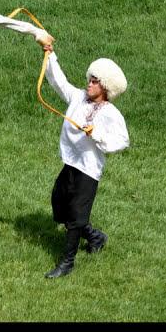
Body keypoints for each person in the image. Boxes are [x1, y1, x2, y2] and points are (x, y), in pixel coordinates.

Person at [40, 44, 129, 278]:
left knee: (75, 218)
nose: (89, 83)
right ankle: (95, 236)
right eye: (90, 79)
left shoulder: (110, 112)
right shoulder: (77, 98)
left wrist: (96, 134)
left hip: (88, 170)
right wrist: (50, 54)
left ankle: (67, 263)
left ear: (105, 87)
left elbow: (122, 140)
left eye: (95, 81)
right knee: (59, 206)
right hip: (71, 163)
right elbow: (60, 82)